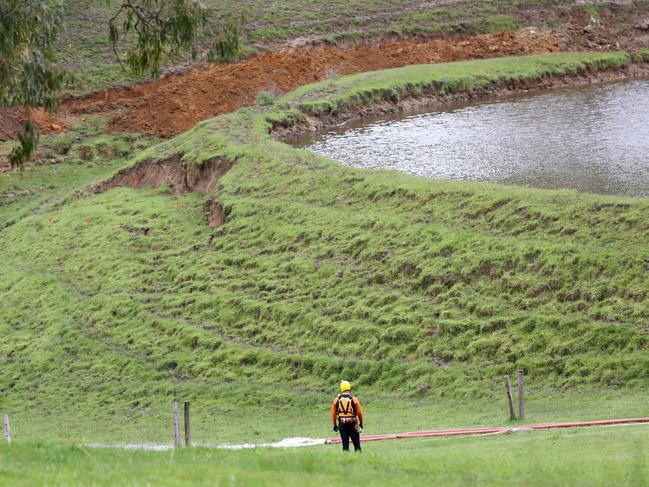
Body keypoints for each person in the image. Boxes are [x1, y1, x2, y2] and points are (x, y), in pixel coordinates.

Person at [331, 380, 364, 452]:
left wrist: (334, 425)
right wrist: (361, 424)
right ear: (349, 388)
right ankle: (359, 461)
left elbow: (333, 414)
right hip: (353, 424)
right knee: (357, 446)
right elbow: (360, 413)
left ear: (341, 388)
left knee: (345, 446)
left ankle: (346, 461)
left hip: (342, 424)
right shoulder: (354, 399)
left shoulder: (336, 400)